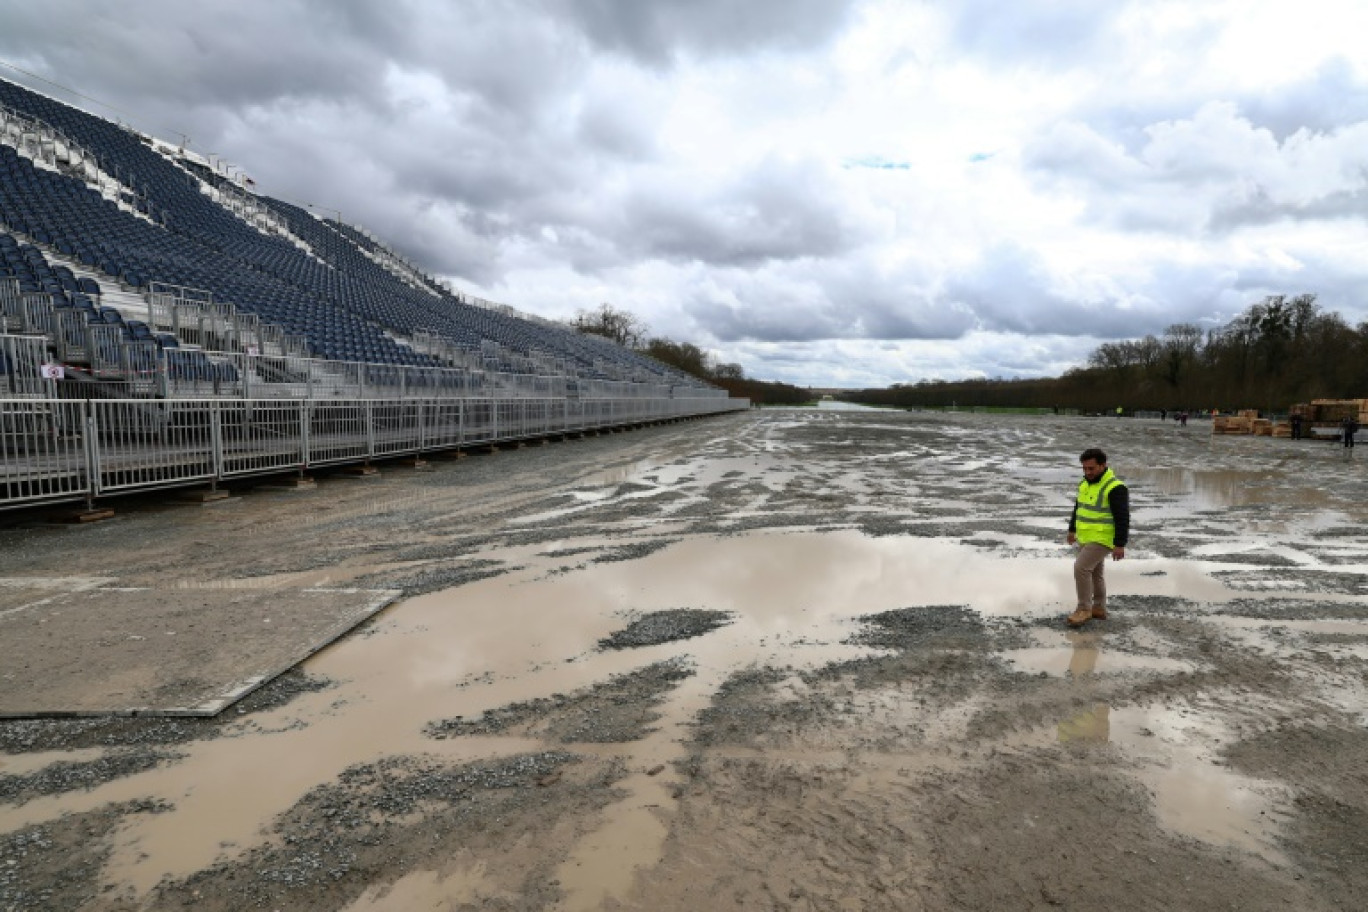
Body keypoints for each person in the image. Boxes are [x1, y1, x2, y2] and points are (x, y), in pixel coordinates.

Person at [1065, 448, 1129, 628]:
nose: (1087, 472)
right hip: (1086, 536)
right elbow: (1078, 508)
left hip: (1103, 538)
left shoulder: (1115, 487)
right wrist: (1072, 530)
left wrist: (1119, 544)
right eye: (1084, 469)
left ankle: (1084, 609)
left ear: (1103, 465)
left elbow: (1122, 517)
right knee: (1094, 572)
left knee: (1081, 568)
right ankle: (1099, 608)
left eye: (1091, 468)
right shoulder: (1084, 483)